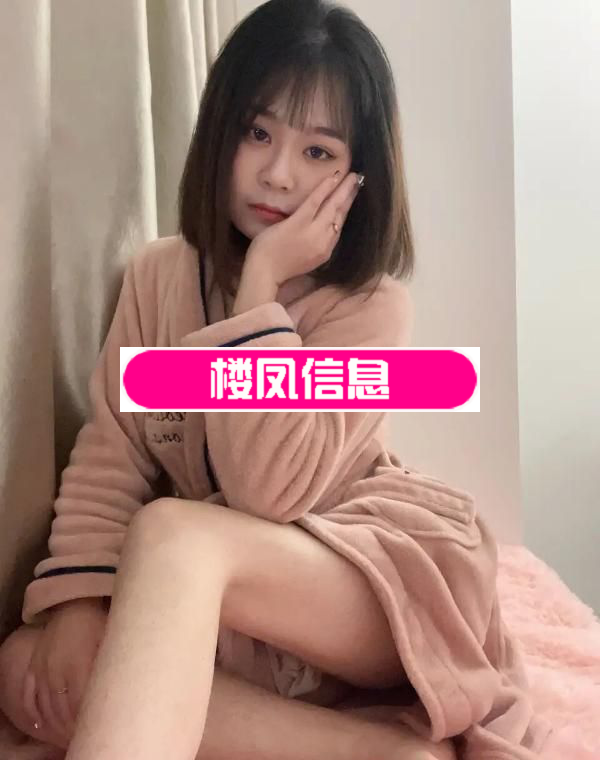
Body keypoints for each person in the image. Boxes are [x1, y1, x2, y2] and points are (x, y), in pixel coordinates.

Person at [0, 1, 548, 759]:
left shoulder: (369, 308)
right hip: (224, 586)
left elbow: (269, 493)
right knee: (29, 667)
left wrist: (260, 290)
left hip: (370, 577)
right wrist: (77, 606)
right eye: (258, 133)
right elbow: (111, 456)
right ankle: (371, 751)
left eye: (318, 151)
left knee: (173, 535)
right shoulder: (159, 277)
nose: (278, 173)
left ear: (360, 176)